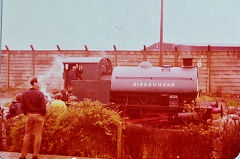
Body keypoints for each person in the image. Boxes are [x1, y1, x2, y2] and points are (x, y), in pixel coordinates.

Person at [20, 77, 46, 159]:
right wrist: (42, 115)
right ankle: (35, 155)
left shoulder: (24, 93)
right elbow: (43, 107)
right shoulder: (40, 94)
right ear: (34, 83)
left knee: (27, 135)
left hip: (29, 115)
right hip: (39, 116)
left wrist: (26, 113)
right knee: (38, 135)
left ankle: (23, 155)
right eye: (38, 82)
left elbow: (22, 106)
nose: (40, 84)